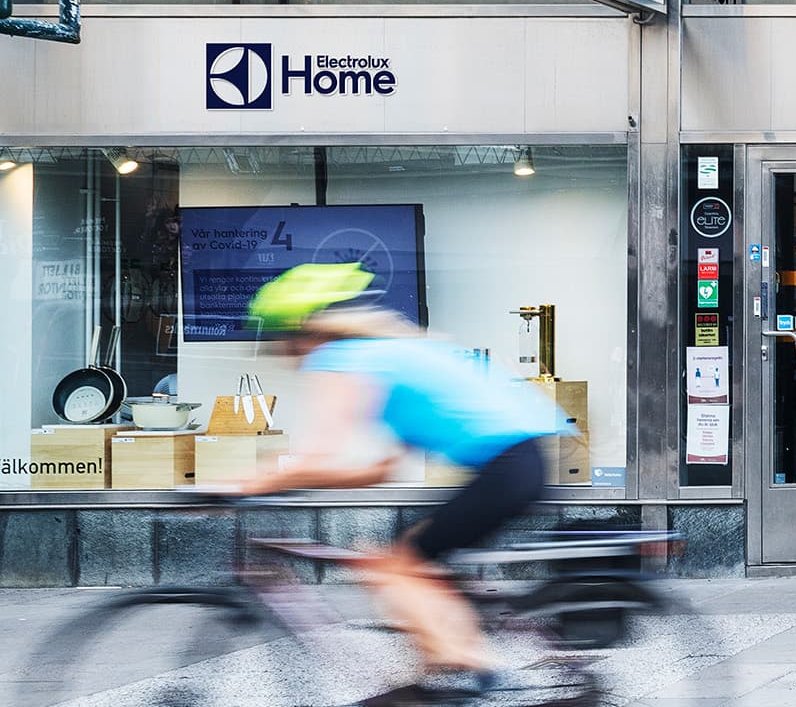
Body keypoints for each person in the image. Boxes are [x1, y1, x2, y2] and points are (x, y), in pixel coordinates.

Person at [236, 263, 560, 706]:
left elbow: (319, 455)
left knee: (396, 564)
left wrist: (248, 483)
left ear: (300, 332)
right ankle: (436, 672)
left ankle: (474, 668)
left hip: (507, 468)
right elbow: (379, 471)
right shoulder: (385, 356)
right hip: (520, 463)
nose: (280, 351)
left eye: (278, 339)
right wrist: (282, 479)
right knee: (409, 553)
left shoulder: (339, 359)